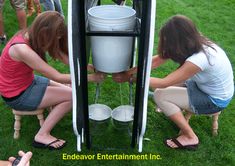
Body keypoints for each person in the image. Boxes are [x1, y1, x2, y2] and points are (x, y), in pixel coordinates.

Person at [112, 15, 234, 150]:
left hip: (214, 100)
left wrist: (130, 79)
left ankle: (190, 137)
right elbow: (158, 60)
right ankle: (176, 107)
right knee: (162, 93)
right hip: (204, 86)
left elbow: (164, 82)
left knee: (160, 95)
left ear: (177, 41)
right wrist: (129, 72)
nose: (164, 43)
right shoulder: (195, 42)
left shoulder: (199, 59)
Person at [0, 11, 105, 150]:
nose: (56, 41)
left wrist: (90, 67)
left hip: (27, 83)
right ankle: (42, 135)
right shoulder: (22, 49)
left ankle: (53, 109)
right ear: (45, 32)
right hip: (17, 95)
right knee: (73, 97)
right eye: (55, 37)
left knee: (71, 91)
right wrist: (91, 78)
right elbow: (57, 76)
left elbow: (60, 55)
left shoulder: (32, 35)